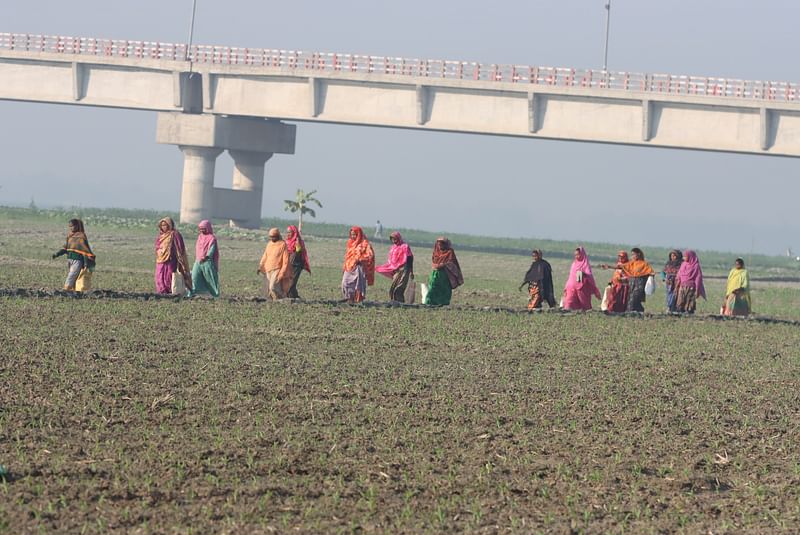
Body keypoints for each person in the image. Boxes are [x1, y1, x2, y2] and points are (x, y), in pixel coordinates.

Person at [52, 218, 96, 292]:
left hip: (78, 260)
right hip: (70, 259)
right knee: (74, 275)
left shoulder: (81, 236)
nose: (71, 228)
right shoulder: (70, 236)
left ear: (78, 226)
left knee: (72, 274)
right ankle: (73, 290)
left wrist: (85, 263)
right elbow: (66, 248)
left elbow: (84, 251)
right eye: (70, 226)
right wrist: (57, 254)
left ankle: (66, 289)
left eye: (73, 226)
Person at [155, 217, 192, 295]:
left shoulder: (175, 234)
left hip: (171, 260)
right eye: (162, 225)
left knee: (169, 276)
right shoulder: (161, 236)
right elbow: (157, 246)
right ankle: (162, 291)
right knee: (159, 275)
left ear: (169, 225)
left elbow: (180, 246)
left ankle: (170, 291)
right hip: (161, 260)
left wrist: (180, 257)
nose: (163, 227)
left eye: (165, 225)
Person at [424, 237, 464, 305]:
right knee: (433, 288)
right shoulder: (436, 252)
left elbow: (452, 263)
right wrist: (437, 266)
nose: (440, 246)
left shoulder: (450, 252)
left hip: (446, 275)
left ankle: (443, 303)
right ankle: (429, 302)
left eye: (442, 244)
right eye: (439, 244)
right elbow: (434, 261)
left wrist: (443, 265)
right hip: (435, 274)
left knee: (444, 290)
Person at [376, 231, 414, 302]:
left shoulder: (405, 247)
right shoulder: (393, 248)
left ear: (399, 238)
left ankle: (400, 301)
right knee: (394, 285)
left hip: (404, 269)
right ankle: (395, 300)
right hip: (396, 270)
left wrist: (411, 271)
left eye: (395, 239)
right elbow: (392, 260)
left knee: (399, 286)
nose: (394, 241)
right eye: (392, 239)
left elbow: (410, 259)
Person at [342, 226, 375, 303]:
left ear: (359, 234)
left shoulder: (365, 244)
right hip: (349, 267)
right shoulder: (350, 243)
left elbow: (370, 255)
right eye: (352, 234)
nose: (353, 236)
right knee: (345, 282)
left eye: (355, 234)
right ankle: (348, 298)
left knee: (357, 285)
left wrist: (360, 259)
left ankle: (355, 300)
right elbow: (347, 256)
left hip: (358, 268)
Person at [561, 246, 601, 310]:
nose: (576, 256)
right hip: (571, 287)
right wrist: (566, 287)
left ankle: (586, 314)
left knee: (584, 304)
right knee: (569, 302)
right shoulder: (574, 264)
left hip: (582, 287)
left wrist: (583, 274)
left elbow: (589, 275)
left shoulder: (585, 264)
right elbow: (570, 276)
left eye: (578, 254)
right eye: (575, 255)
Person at [188, 220, 220, 298]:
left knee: (210, 279)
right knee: (194, 277)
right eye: (200, 229)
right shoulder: (200, 237)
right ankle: (192, 293)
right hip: (198, 261)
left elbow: (212, 249)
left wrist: (206, 257)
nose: (202, 230)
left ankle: (215, 295)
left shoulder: (212, 238)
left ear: (208, 228)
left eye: (203, 228)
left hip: (207, 262)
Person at [258, 228, 291, 300]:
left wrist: (282, 272)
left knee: (272, 287)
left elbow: (285, 260)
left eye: (274, 236)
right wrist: (260, 266)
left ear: (278, 236)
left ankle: (282, 298)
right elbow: (265, 256)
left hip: (277, 269)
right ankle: (276, 301)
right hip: (268, 269)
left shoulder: (282, 244)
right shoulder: (269, 244)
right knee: (272, 288)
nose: (272, 238)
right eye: (271, 237)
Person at [619, 247, 655, 312]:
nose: (632, 256)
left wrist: (651, 275)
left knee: (633, 299)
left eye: (634, 254)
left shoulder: (644, 264)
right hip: (631, 284)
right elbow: (622, 267)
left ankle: (629, 313)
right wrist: (609, 267)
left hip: (639, 284)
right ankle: (640, 311)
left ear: (638, 254)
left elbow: (650, 271)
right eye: (632, 254)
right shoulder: (631, 263)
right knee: (633, 299)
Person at [674, 249, 705, 313]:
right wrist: (677, 283)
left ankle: (689, 312)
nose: (684, 258)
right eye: (684, 256)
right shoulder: (683, 264)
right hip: (682, 286)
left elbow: (698, 278)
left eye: (685, 256)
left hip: (691, 287)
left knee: (689, 301)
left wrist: (697, 289)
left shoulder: (696, 266)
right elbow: (679, 274)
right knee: (680, 300)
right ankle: (680, 312)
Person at [285, 225, 310, 299]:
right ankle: (295, 297)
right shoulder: (288, 241)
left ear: (294, 232)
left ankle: (291, 298)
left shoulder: (298, 241)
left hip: (296, 265)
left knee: (292, 283)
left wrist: (297, 243)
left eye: (290, 232)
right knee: (288, 282)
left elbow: (298, 252)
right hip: (289, 265)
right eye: (287, 232)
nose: (288, 234)